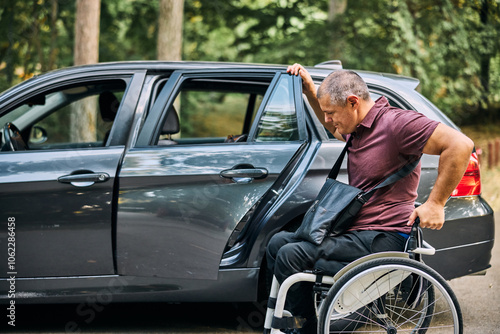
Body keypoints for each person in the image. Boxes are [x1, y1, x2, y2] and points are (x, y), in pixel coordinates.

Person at [266, 63, 474, 333]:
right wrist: (310, 92)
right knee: (277, 243)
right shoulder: (359, 126)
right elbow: (336, 130)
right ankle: (306, 321)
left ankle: (306, 328)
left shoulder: (397, 124)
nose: (327, 121)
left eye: (331, 113)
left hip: (382, 236)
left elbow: (460, 145)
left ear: (353, 102)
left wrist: (435, 203)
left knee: (291, 254)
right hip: (359, 232)